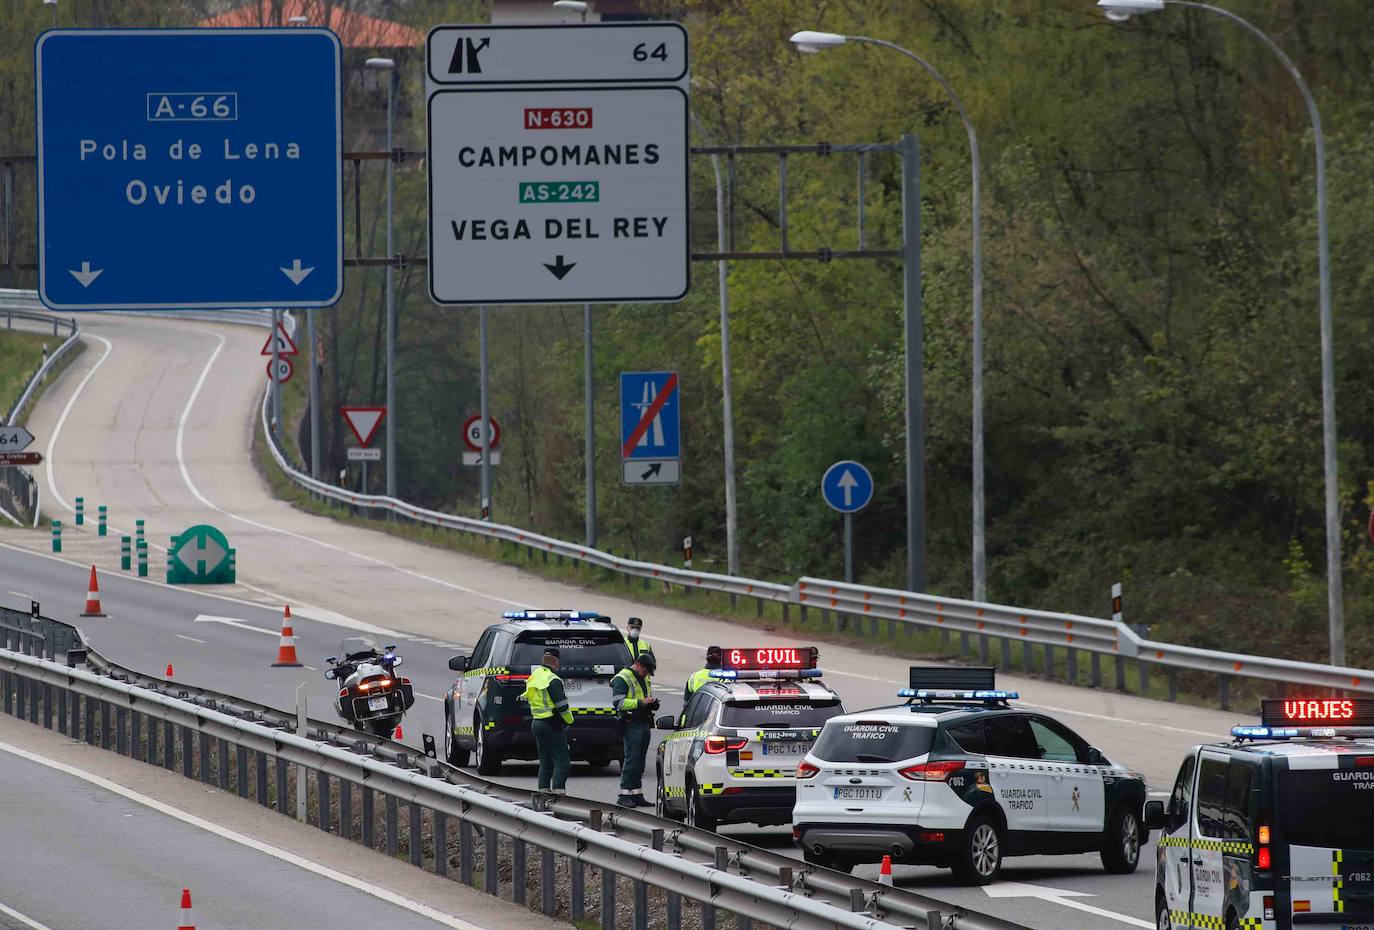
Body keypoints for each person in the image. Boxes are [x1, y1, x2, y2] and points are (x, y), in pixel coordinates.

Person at [522, 646, 573, 795]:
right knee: (562, 761)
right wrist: (569, 721)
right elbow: (562, 705)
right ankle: (558, 794)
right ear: (556, 661)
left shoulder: (536, 675)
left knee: (545, 761)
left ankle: (543, 794)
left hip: (537, 722)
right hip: (551, 723)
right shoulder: (553, 679)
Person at [612, 651, 658, 807]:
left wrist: (651, 703)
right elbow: (619, 703)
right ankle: (624, 793)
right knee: (631, 759)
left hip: (643, 722)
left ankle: (636, 793)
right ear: (638, 665)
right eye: (645, 671)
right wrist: (641, 703)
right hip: (631, 723)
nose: (646, 675)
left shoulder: (644, 677)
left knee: (640, 760)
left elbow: (644, 697)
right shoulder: (622, 678)